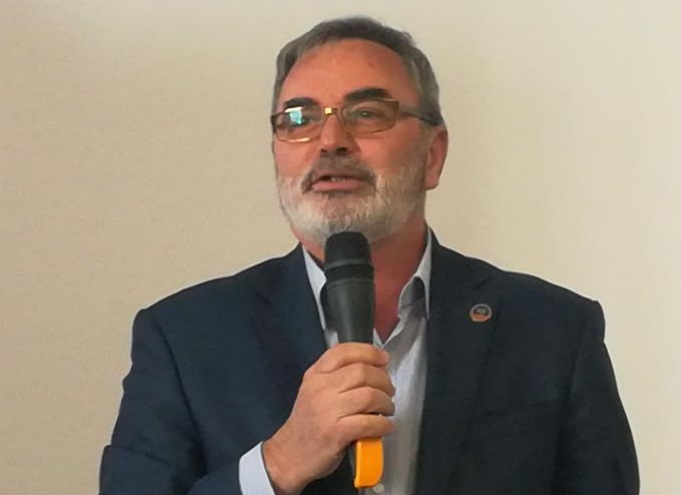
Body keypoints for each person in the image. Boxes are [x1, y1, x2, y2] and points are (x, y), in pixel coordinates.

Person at [99, 16, 639, 495]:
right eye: (299, 118)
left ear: (433, 156)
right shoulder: (184, 337)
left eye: (367, 113)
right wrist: (279, 464)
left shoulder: (553, 330)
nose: (330, 139)